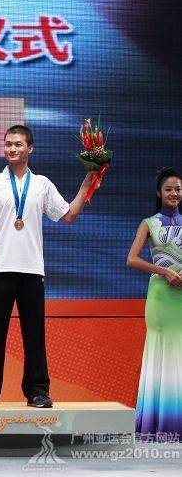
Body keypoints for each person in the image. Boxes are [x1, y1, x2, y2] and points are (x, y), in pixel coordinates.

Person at [0, 124, 95, 408]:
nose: (12, 149)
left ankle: (37, 391)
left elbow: (68, 216)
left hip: (32, 270)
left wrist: (87, 184)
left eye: (18, 144)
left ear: (30, 149)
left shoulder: (42, 184)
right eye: (8, 144)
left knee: (34, 334)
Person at [126, 168, 182, 438]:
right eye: (169, 189)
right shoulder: (149, 223)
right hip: (160, 296)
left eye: (178, 189)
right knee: (161, 353)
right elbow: (132, 259)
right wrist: (164, 271)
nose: (174, 194)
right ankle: (157, 423)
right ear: (159, 192)